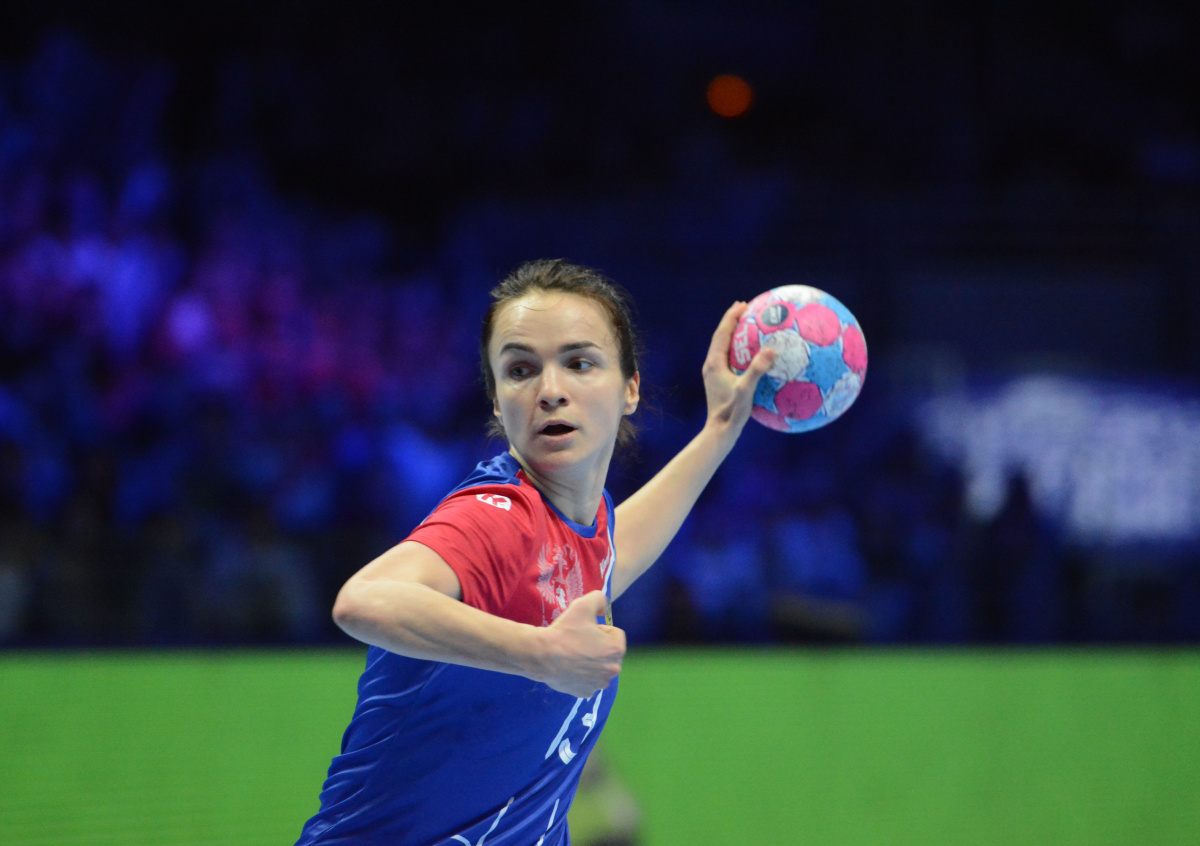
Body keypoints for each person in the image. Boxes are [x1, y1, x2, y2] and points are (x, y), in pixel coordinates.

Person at [295, 259, 774, 845]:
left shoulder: (582, 525)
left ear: (630, 388)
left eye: (579, 363)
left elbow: (615, 551)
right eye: (520, 370)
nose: (550, 391)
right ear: (498, 402)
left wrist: (721, 428)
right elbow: (364, 599)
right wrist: (541, 653)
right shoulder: (497, 516)